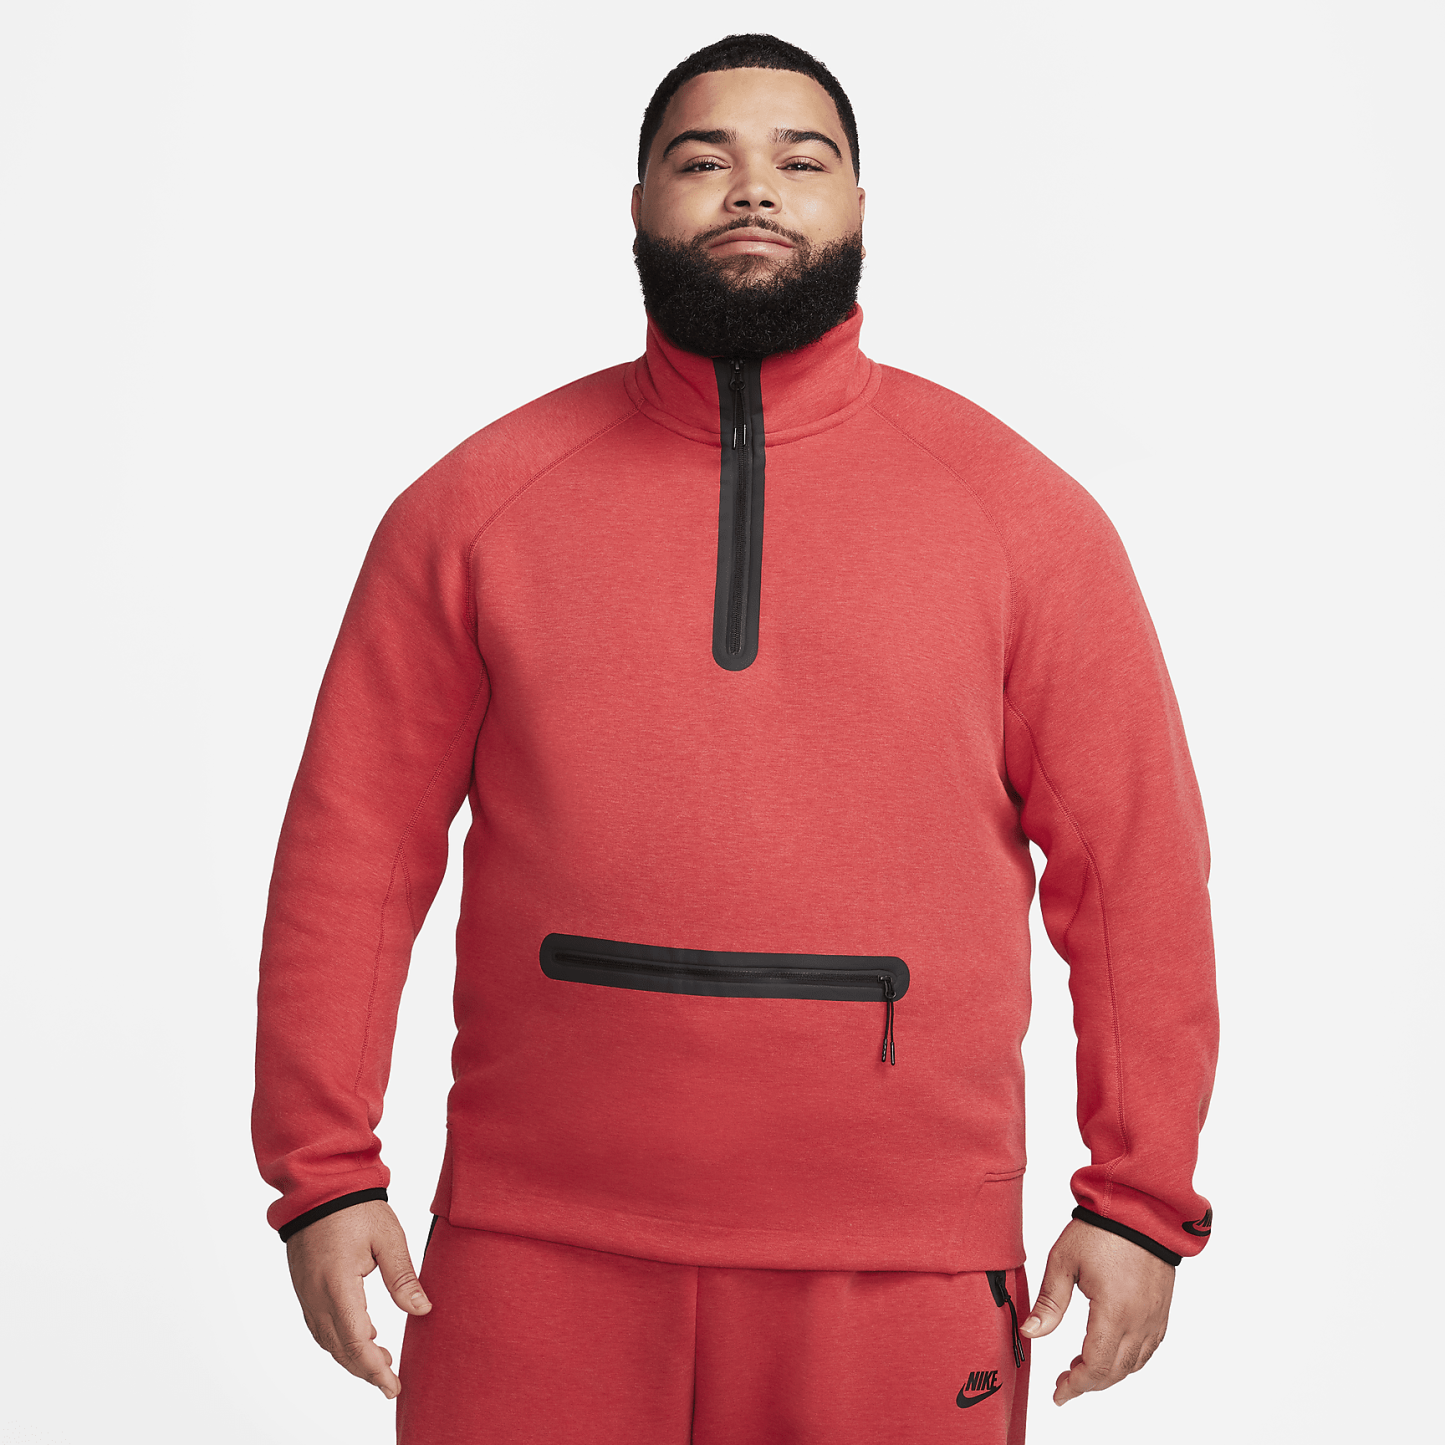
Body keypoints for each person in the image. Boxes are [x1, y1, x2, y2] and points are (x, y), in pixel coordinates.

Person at [252, 33, 1218, 1445]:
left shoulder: (1023, 520)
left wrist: (1137, 1196)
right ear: (640, 204)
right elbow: (354, 849)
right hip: (534, 1246)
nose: (752, 188)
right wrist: (323, 1172)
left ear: (861, 207)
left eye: (800, 160)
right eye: (702, 159)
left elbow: (1134, 873)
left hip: (899, 1257)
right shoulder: (474, 510)